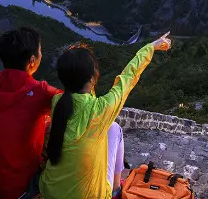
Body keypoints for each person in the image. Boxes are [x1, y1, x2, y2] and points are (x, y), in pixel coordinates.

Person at [40, 32, 172, 199]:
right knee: (114, 129)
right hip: (90, 195)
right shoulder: (101, 110)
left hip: (49, 191)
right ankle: (116, 188)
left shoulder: (58, 102)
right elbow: (128, 77)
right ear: (92, 78)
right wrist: (150, 47)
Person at [0, 27, 62, 199]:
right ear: (32, 60)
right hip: (13, 189)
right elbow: (74, 105)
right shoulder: (41, 91)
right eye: (40, 51)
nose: (41, 54)